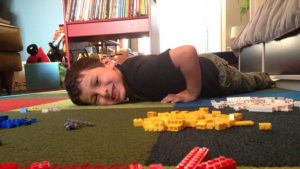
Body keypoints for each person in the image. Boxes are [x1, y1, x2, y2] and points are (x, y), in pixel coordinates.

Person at [64, 45, 274, 105]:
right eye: (95, 98)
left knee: (249, 82)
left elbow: (187, 52)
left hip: (215, 75)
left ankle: (267, 76)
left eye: (98, 81)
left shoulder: (141, 74)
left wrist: (192, 93)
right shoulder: (125, 81)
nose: (104, 92)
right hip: (198, 67)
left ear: (108, 63)